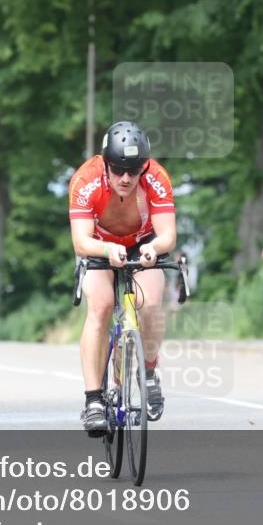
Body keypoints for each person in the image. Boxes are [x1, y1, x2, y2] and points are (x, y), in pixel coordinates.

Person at [69, 121, 176, 434]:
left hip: (145, 242)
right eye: (118, 170)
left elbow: (168, 233)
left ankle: (150, 371)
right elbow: (80, 241)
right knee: (101, 307)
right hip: (98, 244)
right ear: (106, 164)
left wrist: (153, 248)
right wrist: (106, 248)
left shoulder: (156, 177)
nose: (126, 178)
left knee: (150, 304)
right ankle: (93, 400)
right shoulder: (85, 180)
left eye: (133, 170)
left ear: (144, 166)